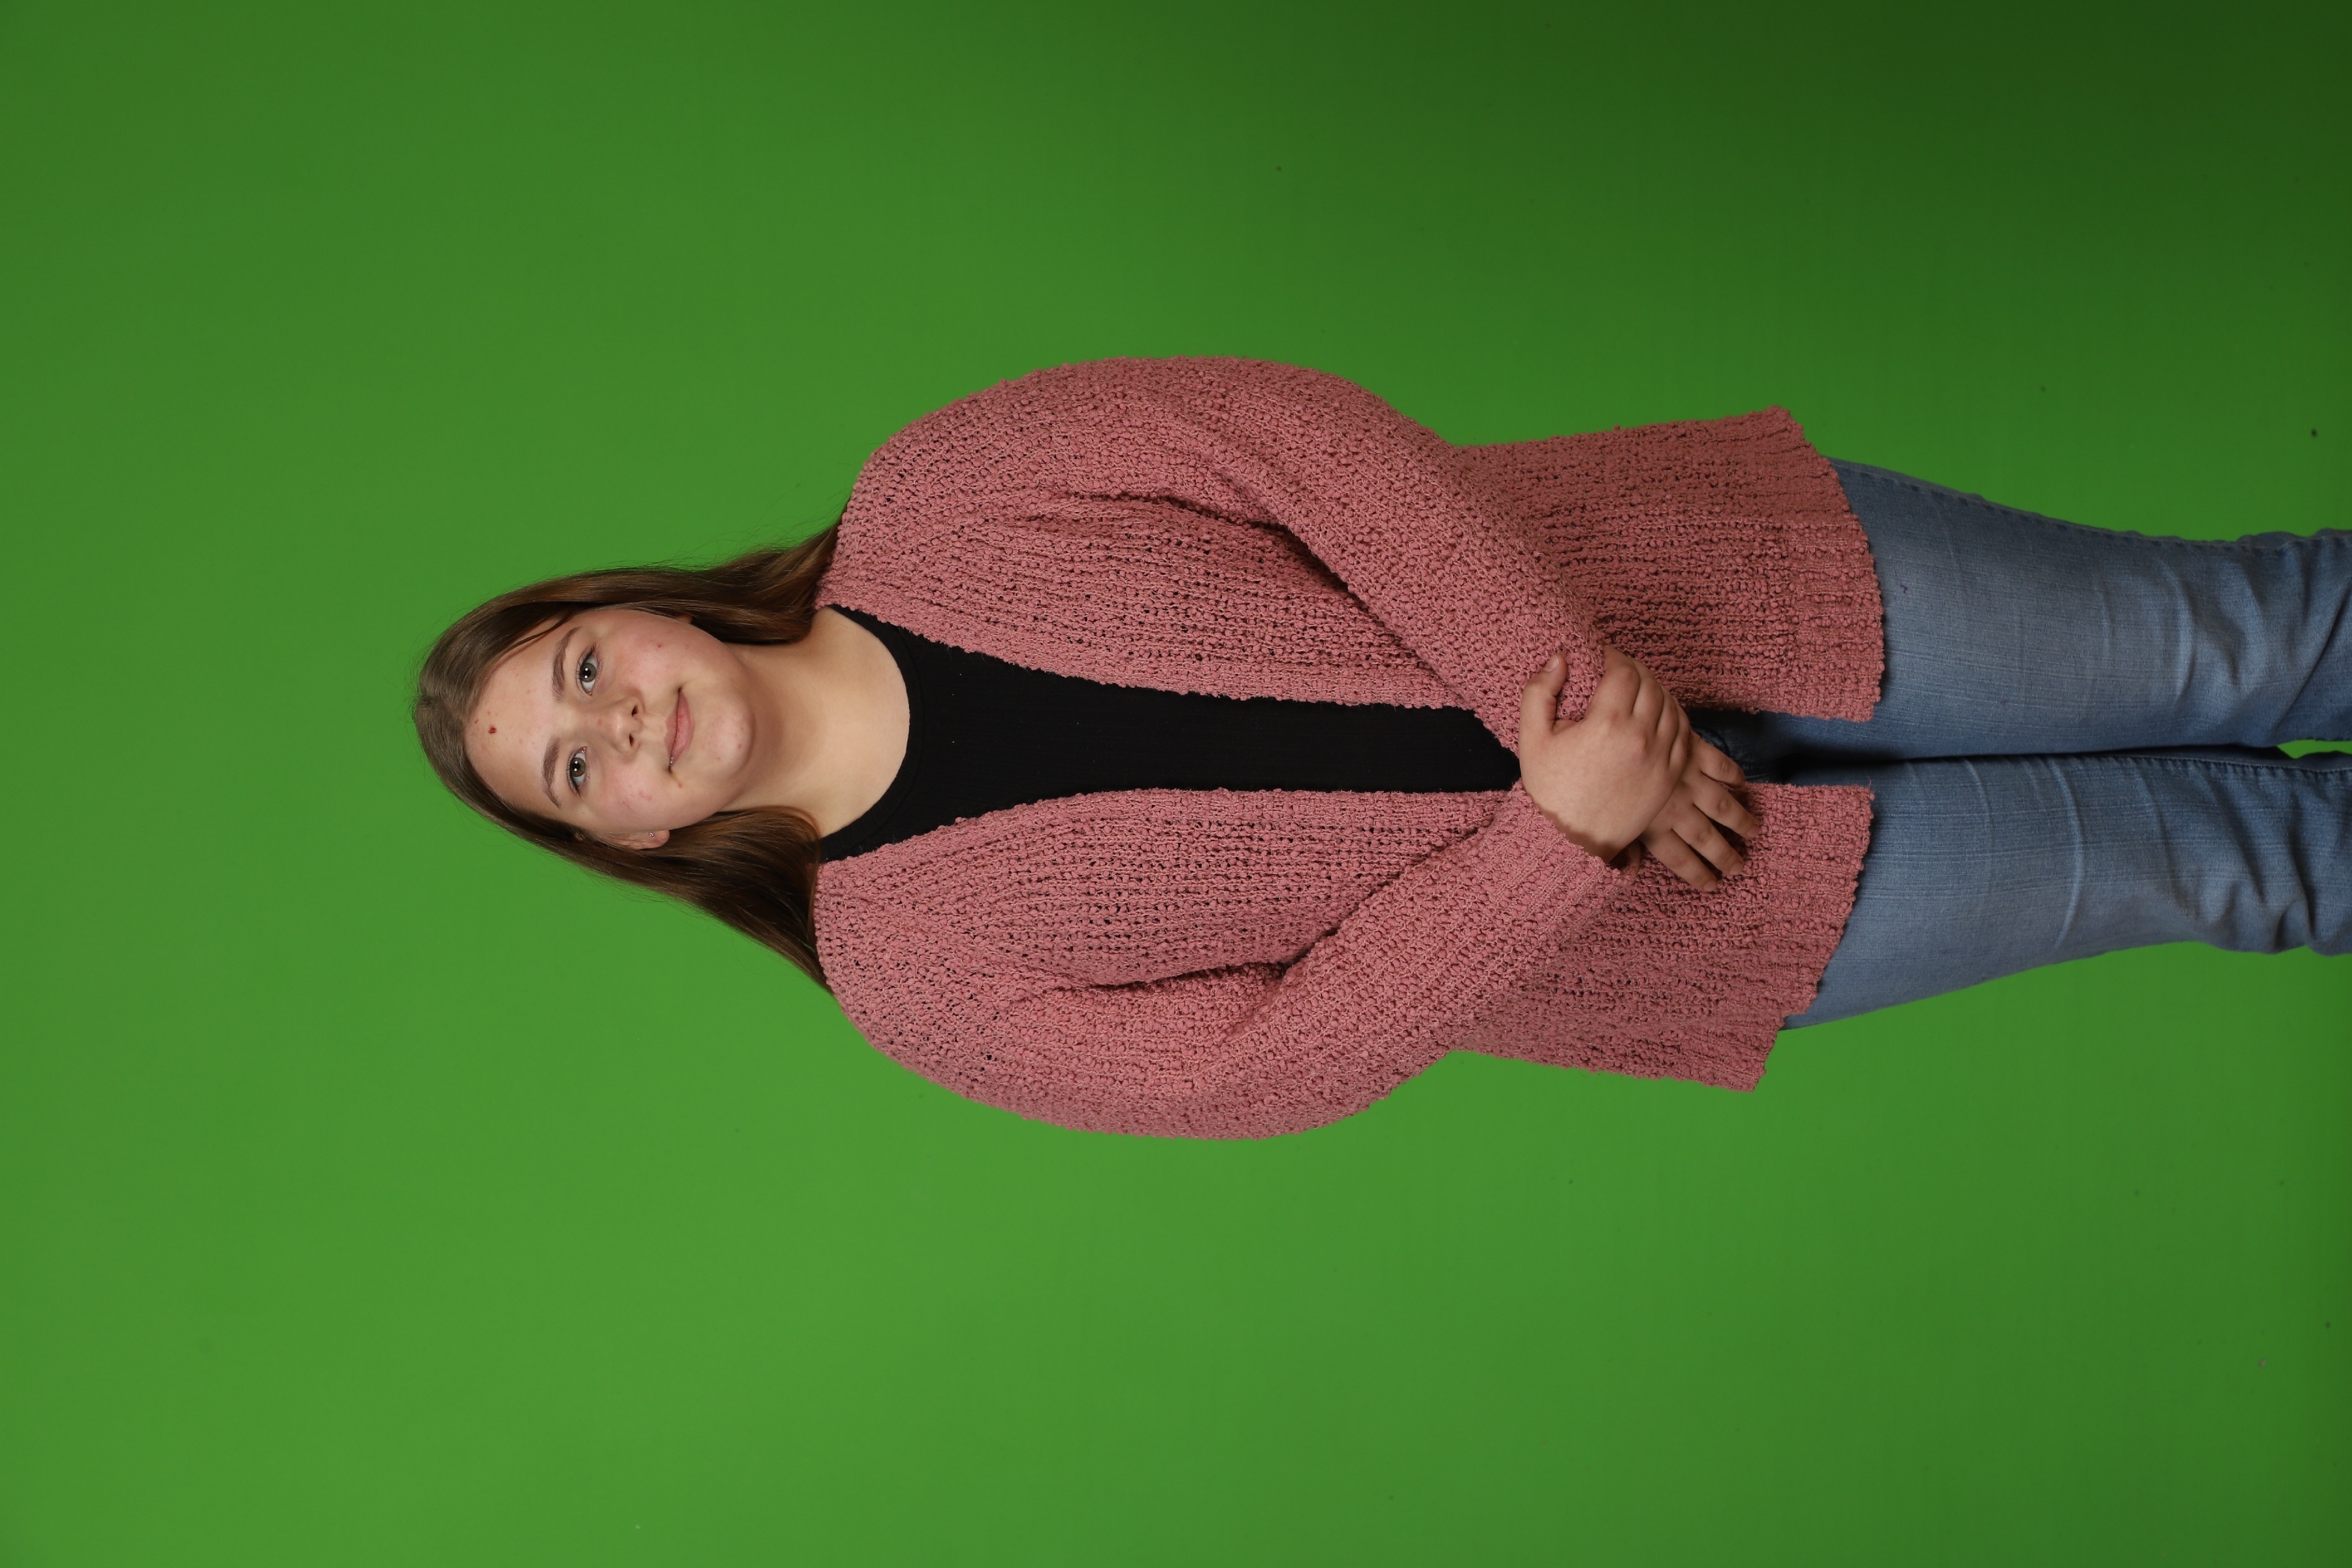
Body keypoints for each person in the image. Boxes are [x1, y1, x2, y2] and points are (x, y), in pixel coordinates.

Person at [414, 357, 2351, 1138]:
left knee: (2248, 635)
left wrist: (1568, 704)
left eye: (582, 669)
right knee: (2232, 870)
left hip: (1700, 575)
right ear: (634, 840)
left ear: (642, 609)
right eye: (577, 770)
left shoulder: (941, 488)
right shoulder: (913, 983)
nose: (619, 721)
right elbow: (1270, 1065)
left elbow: (1295, 444)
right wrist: (1561, 837)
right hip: (1696, 910)